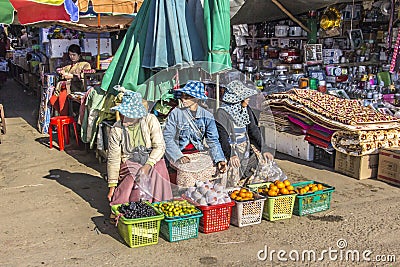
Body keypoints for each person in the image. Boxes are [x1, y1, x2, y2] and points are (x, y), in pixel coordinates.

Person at [107, 90, 173, 205]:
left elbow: (159, 147)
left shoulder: (150, 120)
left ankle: (161, 204)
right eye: (122, 114)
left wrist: (148, 165)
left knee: (159, 168)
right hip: (129, 160)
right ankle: (127, 204)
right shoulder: (116, 129)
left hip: (150, 157)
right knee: (135, 173)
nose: (123, 118)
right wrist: (112, 186)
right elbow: (113, 159)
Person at [163, 80, 227, 187]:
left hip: (199, 153)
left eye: (187, 97)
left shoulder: (207, 115)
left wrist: (219, 159)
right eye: (182, 96)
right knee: (186, 175)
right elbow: (167, 138)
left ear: (196, 98)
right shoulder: (175, 113)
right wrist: (178, 156)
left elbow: (213, 140)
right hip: (180, 154)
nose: (183, 99)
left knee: (219, 171)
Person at [215, 80, 274, 187]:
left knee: (264, 165)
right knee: (234, 172)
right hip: (231, 148)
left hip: (246, 146)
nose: (248, 98)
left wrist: (264, 149)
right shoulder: (222, 113)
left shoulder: (246, 110)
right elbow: (223, 137)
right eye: (245, 96)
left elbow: (254, 130)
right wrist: (231, 155)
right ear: (236, 98)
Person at [50, 44, 91, 115]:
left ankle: (65, 119)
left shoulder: (85, 64)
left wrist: (71, 76)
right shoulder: (69, 65)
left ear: (79, 55)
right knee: (53, 100)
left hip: (77, 87)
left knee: (63, 102)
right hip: (65, 87)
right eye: (70, 55)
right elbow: (61, 69)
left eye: (74, 55)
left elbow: (85, 76)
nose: (71, 57)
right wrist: (60, 71)